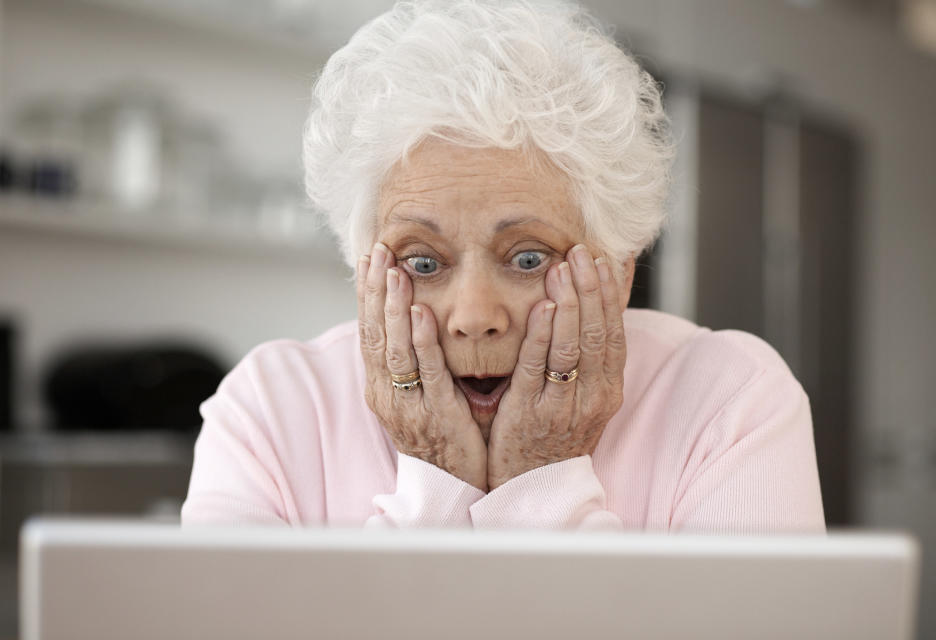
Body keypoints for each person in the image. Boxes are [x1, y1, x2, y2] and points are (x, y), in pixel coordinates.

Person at [181, 0, 825, 532]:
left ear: (621, 266)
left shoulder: (729, 399)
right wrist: (436, 479)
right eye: (423, 262)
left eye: (527, 257)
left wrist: (542, 478)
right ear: (363, 267)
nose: (474, 318)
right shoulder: (268, 407)